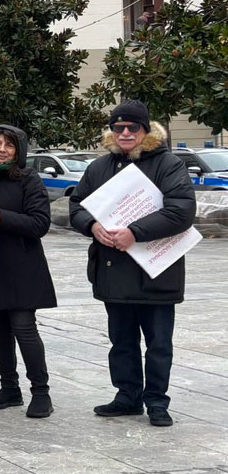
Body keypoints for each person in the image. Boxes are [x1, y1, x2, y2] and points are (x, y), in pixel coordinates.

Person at [70, 100, 194, 427]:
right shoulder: (98, 167)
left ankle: (156, 402)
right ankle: (127, 396)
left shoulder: (168, 164)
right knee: (121, 341)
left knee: (158, 343)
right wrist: (91, 225)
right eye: (118, 127)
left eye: (132, 127)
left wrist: (135, 233)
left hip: (156, 270)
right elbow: (76, 206)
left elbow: (181, 210)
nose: (125, 133)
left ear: (145, 130)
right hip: (113, 271)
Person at [0, 125, 56, 419]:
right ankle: (9, 387)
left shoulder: (28, 179)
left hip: (22, 266)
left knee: (24, 327)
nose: (2, 149)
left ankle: (41, 392)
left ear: (19, 151)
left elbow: (39, 224)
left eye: (9, 144)